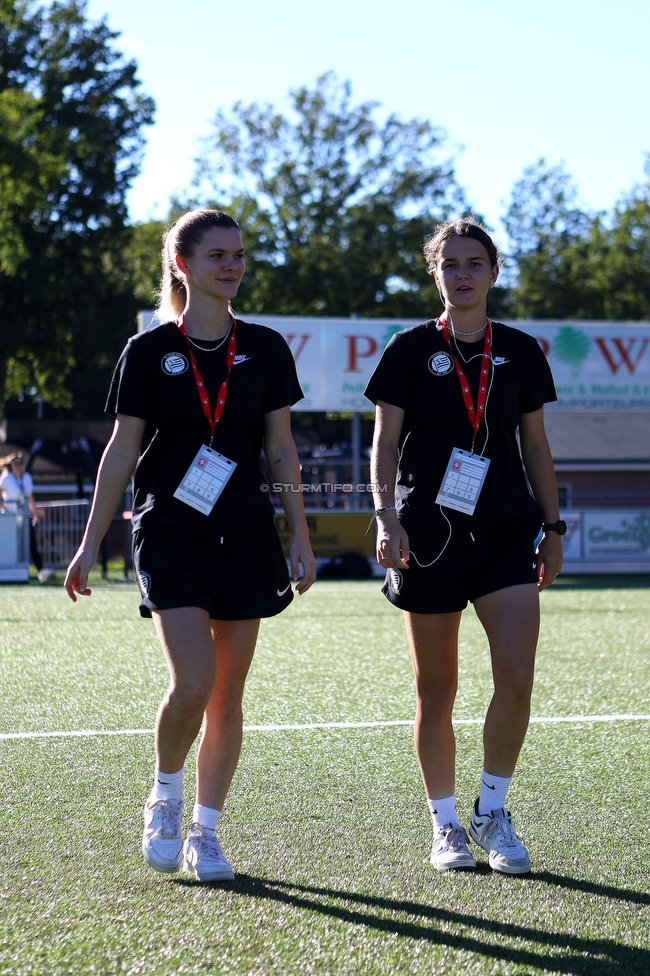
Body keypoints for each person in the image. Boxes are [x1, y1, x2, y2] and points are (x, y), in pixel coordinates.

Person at [64, 208, 316, 882]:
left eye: (238, 254)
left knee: (228, 698)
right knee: (193, 682)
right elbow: (121, 451)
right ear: (183, 265)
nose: (231, 266)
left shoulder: (264, 347)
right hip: (169, 529)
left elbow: (281, 449)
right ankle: (165, 795)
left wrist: (301, 536)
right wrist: (90, 543)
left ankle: (206, 832)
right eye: (216, 256)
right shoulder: (147, 352)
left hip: (245, 533)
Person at [365, 218, 564, 875]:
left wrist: (554, 527)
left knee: (516, 678)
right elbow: (385, 444)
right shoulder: (407, 349)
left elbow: (534, 445)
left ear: (494, 272)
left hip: (506, 531)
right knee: (436, 690)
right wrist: (387, 517)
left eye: (474, 262)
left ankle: (492, 810)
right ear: (435, 272)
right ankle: (446, 824)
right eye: (450, 263)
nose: (463, 273)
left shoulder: (521, 351)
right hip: (428, 534)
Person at [0, 453, 51, 582]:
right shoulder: (6, 478)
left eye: (20, 463)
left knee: (30, 543)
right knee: (10, 544)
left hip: (23, 516)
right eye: (15, 463)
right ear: (11, 465)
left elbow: (30, 498)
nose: (18, 466)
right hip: (10, 518)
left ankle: (41, 570)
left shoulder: (27, 478)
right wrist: (5, 508)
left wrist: (35, 513)